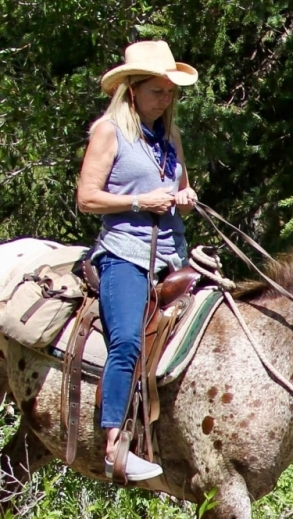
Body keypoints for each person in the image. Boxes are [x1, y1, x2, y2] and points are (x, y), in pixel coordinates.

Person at [74, 40, 201, 487]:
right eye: (157, 91)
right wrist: (138, 200)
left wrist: (186, 198)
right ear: (132, 91)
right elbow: (87, 198)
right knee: (127, 340)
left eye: (170, 92)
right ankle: (115, 444)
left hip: (171, 256)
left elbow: (181, 195)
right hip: (124, 254)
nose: (166, 100)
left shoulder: (167, 137)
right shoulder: (109, 131)